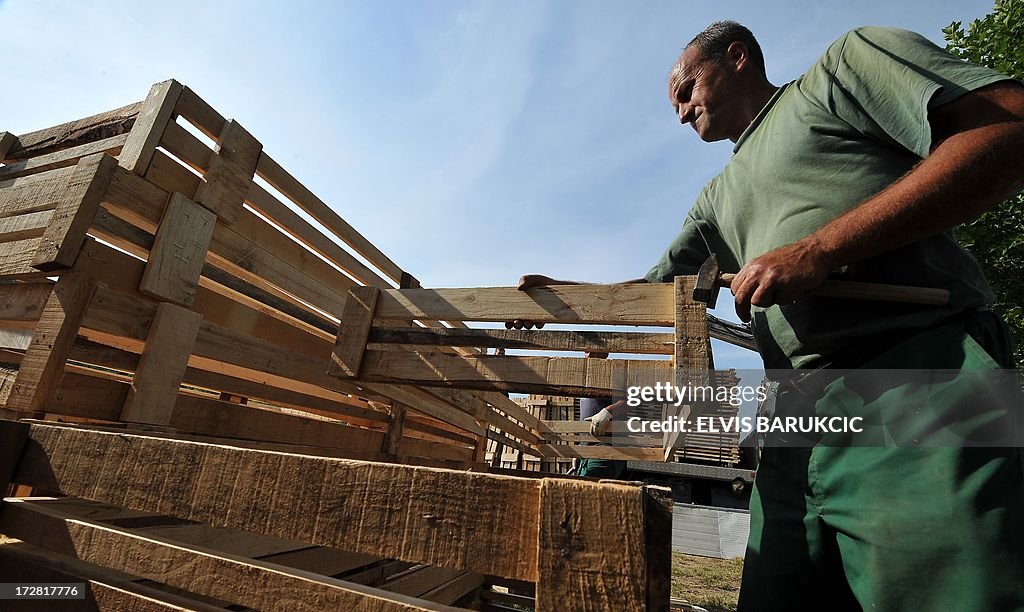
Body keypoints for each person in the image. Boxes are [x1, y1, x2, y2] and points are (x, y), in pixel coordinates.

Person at [518, 21, 1024, 610]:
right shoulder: (717, 196)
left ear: (736, 57)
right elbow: (659, 291)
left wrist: (821, 249)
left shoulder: (842, 71)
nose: (681, 114)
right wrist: (572, 301)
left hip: (916, 381)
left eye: (687, 90)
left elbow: (1005, 125)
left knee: (952, 592)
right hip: (793, 416)